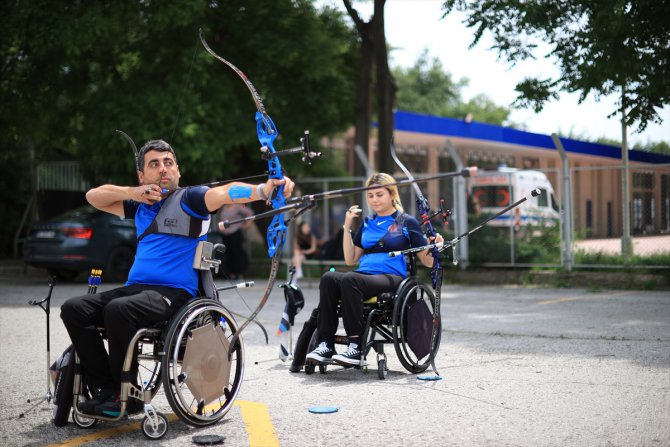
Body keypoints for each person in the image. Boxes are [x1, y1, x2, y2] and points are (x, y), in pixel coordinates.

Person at [60, 139, 294, 417]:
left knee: (117, 310)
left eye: (168, 163)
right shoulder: (139, 207)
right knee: (74, 309)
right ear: (142, 176)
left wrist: (263, 189)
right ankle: (109, 390)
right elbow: (93, 196)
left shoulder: (191, 199)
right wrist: (134, 192)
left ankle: (121, 392)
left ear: (178, 171)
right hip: (136, 290)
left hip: (173, 295)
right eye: (154, 164)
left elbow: (224, 194)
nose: (163, 169)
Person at [305, 173, 442, 367]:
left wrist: (435, 246)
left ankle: (355, 345)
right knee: (328, 278)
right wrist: (347, 227)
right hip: (363, 277)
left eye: (379, 194)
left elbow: (427, 262)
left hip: (392, 278)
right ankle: (326, 343)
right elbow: (351, 259)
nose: (374, 200)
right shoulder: (367, 223)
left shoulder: (406, 222)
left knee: (349, 280)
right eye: (370, 196)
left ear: (392, 194)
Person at [216, 203, 254, 279]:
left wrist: (246, 224)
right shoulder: (223, 207)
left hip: (235, 232)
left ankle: (238, 272)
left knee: (236, 252)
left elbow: (250, 213)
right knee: (227, 253)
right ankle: (230, 273)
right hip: (225, 233)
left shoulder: (237, 206)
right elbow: (220, 219)